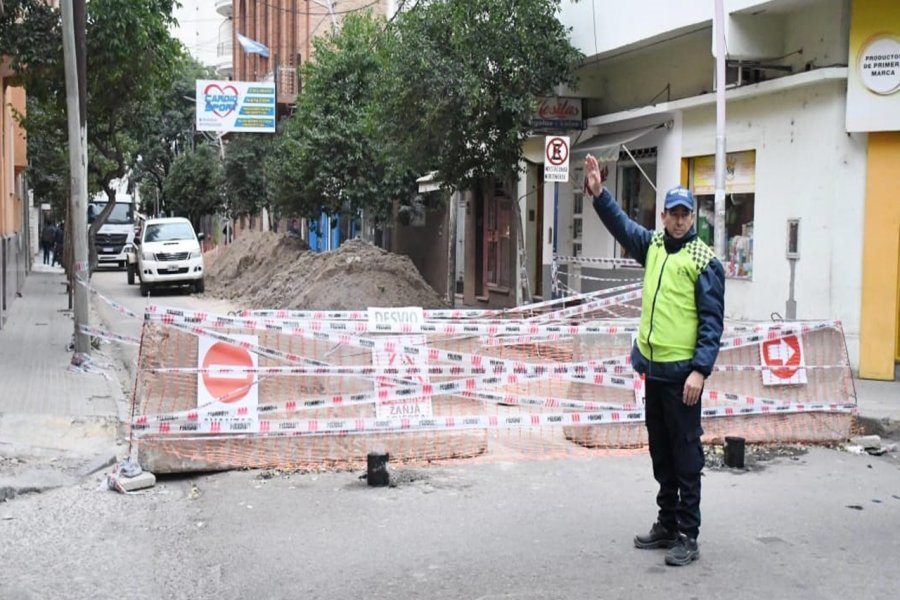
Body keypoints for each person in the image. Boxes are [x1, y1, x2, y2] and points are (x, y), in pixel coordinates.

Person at [583, 153, 725, 567]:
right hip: (655, 372)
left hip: (684, 378)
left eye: (685, 214)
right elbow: (622, 227)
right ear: (663, 216)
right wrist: (599, 194)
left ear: (692, 217)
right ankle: (667, 523)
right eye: (673, 214)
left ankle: (688, 535)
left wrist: (700, 370)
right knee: (661, 454)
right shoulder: (655, 246)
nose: (679, 220)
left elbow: (712, 322)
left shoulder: (704, 261)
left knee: (686, 458)